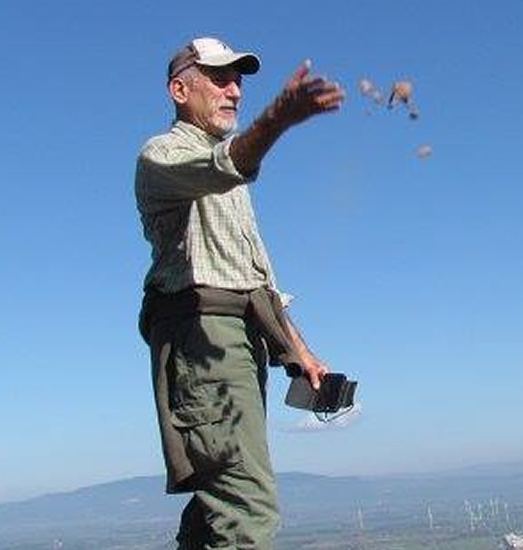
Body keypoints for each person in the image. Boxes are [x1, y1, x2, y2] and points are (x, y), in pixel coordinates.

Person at [133, 36, 344, 550]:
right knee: (246, 508)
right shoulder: (162, 156)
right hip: (204, 337)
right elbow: (222, 166)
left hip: (237, 339)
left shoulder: (230, 180)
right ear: (179, 89)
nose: (235, 90)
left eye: (239, 81)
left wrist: (299, 349)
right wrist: (277, 120)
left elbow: (251, 276)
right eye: (220, 78)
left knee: (218, 504)